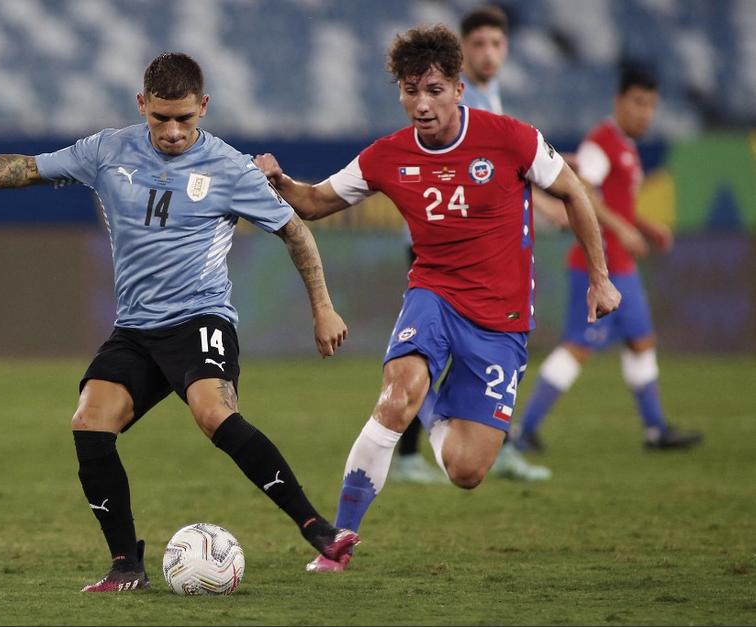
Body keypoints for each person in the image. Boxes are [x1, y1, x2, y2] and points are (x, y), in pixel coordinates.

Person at [0, 52, 359, 592]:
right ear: (142, 105)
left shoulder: (230, 168)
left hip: (200, 318)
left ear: (204, 107)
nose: (174, 131)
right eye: (161, 118)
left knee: (213, 413)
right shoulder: (107, 150)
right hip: (136, 330)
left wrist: (322, 307)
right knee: (89, 422)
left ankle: (316, 527)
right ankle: (125, 565)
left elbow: (295, 232)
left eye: (185, 118)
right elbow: (32, 168)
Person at [255, 24, 621, 572]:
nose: (421, 104)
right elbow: (313, 203)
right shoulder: (386, 156)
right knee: (394, 397)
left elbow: (572, 191)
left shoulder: (512, 138)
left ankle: (431, 403)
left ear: (457, 88)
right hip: (434, 295)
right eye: (410, 91)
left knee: (466, 471)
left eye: (433, 90)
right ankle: (337, 543)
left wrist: (600, 277)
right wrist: (278, 179)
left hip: (501, 319)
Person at [393, 5, 557, 484]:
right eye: (479, 44)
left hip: (475, 247)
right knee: (456, 352)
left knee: (461, 354)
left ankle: (451, 448)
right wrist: (552, 208)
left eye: (497, 44)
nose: (489, 53)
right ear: (462, 53)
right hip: (445, 245)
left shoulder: (489, 96)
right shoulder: (466, 104)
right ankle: (431, 451)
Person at [513, 67, 703, 453]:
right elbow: (585, 194)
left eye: (651, 105)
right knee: (578, 347)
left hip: (623, 268)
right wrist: (623, 230)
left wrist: (645, 227)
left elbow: (616, 204)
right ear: (619, 102)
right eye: (638, 103)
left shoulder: (625, 147)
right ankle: (524, 430)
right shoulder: (600, 145)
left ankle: (655, 430)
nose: (645, 113)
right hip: (597, 266)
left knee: (641, 341)